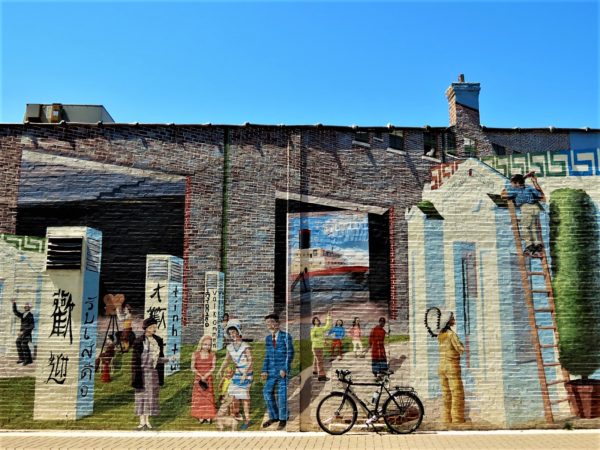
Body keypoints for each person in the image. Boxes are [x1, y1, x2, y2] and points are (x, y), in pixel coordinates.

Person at [131, 317, 170, 430]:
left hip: (152, 374)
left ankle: (147, 421)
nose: (154, 329)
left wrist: (168, 359)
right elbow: (135, 360)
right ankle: (141, 421)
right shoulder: (139, 341)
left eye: (155, 326)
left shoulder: (157, 340)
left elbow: (158, 359)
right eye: (152, 327)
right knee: (140, 396)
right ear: (146, 328)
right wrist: (136, 375)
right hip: (141, 373)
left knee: (150, 396)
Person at [217, 319, 253, 430]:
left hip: (246, 373)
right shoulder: (230, 347)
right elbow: (227, 360)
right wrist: (220, 369)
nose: (232, 335)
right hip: (237, 373)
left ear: (238, 332)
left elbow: (251, 360)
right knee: (233, 394)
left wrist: (245, 373)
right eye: (230, 333)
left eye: (234, 332)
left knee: (244, 396)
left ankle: (248, 419)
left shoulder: (244, 346)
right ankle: (236, 414)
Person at [261, 313, 294, 430]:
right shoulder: (268, 339)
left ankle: (283, 419)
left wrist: (285, 368)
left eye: (271, 322)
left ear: (277, 323)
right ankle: (274, 416)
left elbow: (290, 353)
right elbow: (267, 355)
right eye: (267, 324)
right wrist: (264, 370)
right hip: (271, 371)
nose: (269, 325)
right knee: (266, 392)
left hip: (282, 372)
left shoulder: (286, 336)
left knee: (282, 396)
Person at [501, 172, 545, 255]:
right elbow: (540, 195)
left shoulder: (515, 190)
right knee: (532, 227)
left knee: (525, 227)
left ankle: (529, 245)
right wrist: (531, 181)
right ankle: (537, 244)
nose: (511, 185)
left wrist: (523, 178)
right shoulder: (528, 187)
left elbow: (503, 195)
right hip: (535, 208)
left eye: (512, 183)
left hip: (526, 207)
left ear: (517, 183)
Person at [436, 311, 466, 424]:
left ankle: (447, 418)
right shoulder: (451, 334)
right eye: (452, 318)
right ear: (448, 321)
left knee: (446, 395)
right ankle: (457, 419)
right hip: (452, 367)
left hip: (441, 366)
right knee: (457, 393)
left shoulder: (440, 335)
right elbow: (460, 348)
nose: (454, 320)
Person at [191, 335, 217, 424]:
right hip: (199, 379)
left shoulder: (212, 355)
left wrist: (206, 375)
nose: (207, 347)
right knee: (199, 398)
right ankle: (200, 416)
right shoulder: (195, 354)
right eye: (205, 344)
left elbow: (213, 367)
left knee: (208, 397)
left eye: (209, 345)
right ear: (201, 344)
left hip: (208, 378)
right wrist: (200, 375)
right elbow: (193, 367)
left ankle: (208, 416)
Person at [310, 311, 332, 381]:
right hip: (316, 347)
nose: (317, 321)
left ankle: (315, 370)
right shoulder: (314, 329)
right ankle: (321, 376)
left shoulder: (320, 328)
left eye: (317, 320)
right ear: (313, 323)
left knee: (316, 359)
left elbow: (328, 327)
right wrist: (322, 341)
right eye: (315, 321)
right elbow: (312, 339)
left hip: (319, 346)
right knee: (320, 361)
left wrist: (328, 317)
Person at [12, 300, 34, 366]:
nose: (26, 307)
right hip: (22, 333)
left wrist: (24, 332)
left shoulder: (30, 315)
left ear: (29, 308)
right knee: (18, 342)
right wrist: (14, 304)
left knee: (24, 345)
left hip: (26, 334)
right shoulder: (23, 315)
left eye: (27, 306)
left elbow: (32, 326)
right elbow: (15, 312)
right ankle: (22, 358)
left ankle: (27, 360)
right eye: (25, 306)